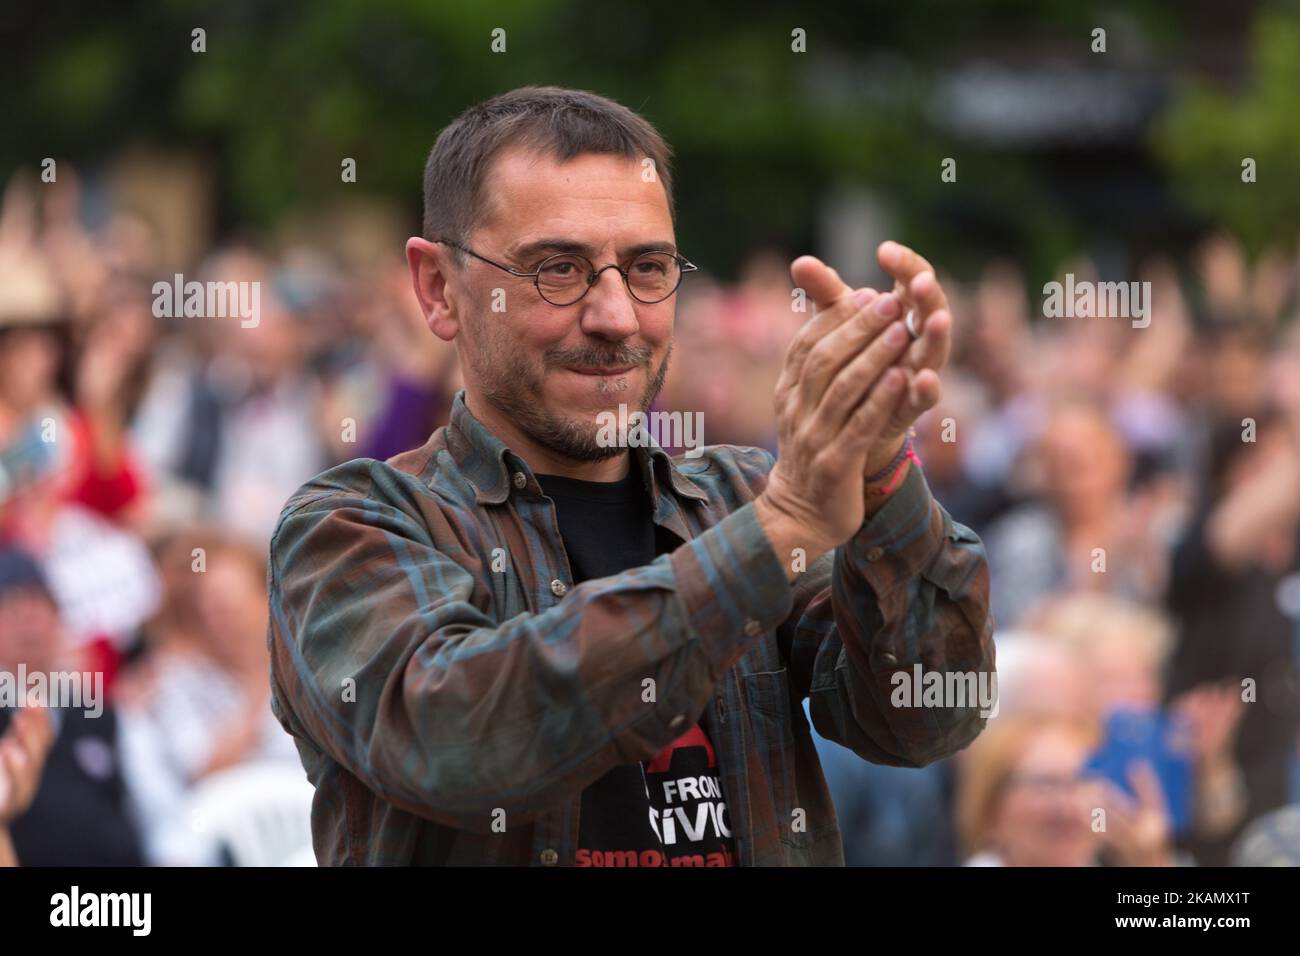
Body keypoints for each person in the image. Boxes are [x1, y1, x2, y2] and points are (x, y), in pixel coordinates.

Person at [267, 85, 994, 866]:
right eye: (558, 269)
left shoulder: (733, 500)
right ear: (440, 289)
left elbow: (924, 719)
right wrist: (776, 534)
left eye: (648, 268)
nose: (617, 317)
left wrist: (880, 473)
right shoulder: (352, 524)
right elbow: (456, 742)